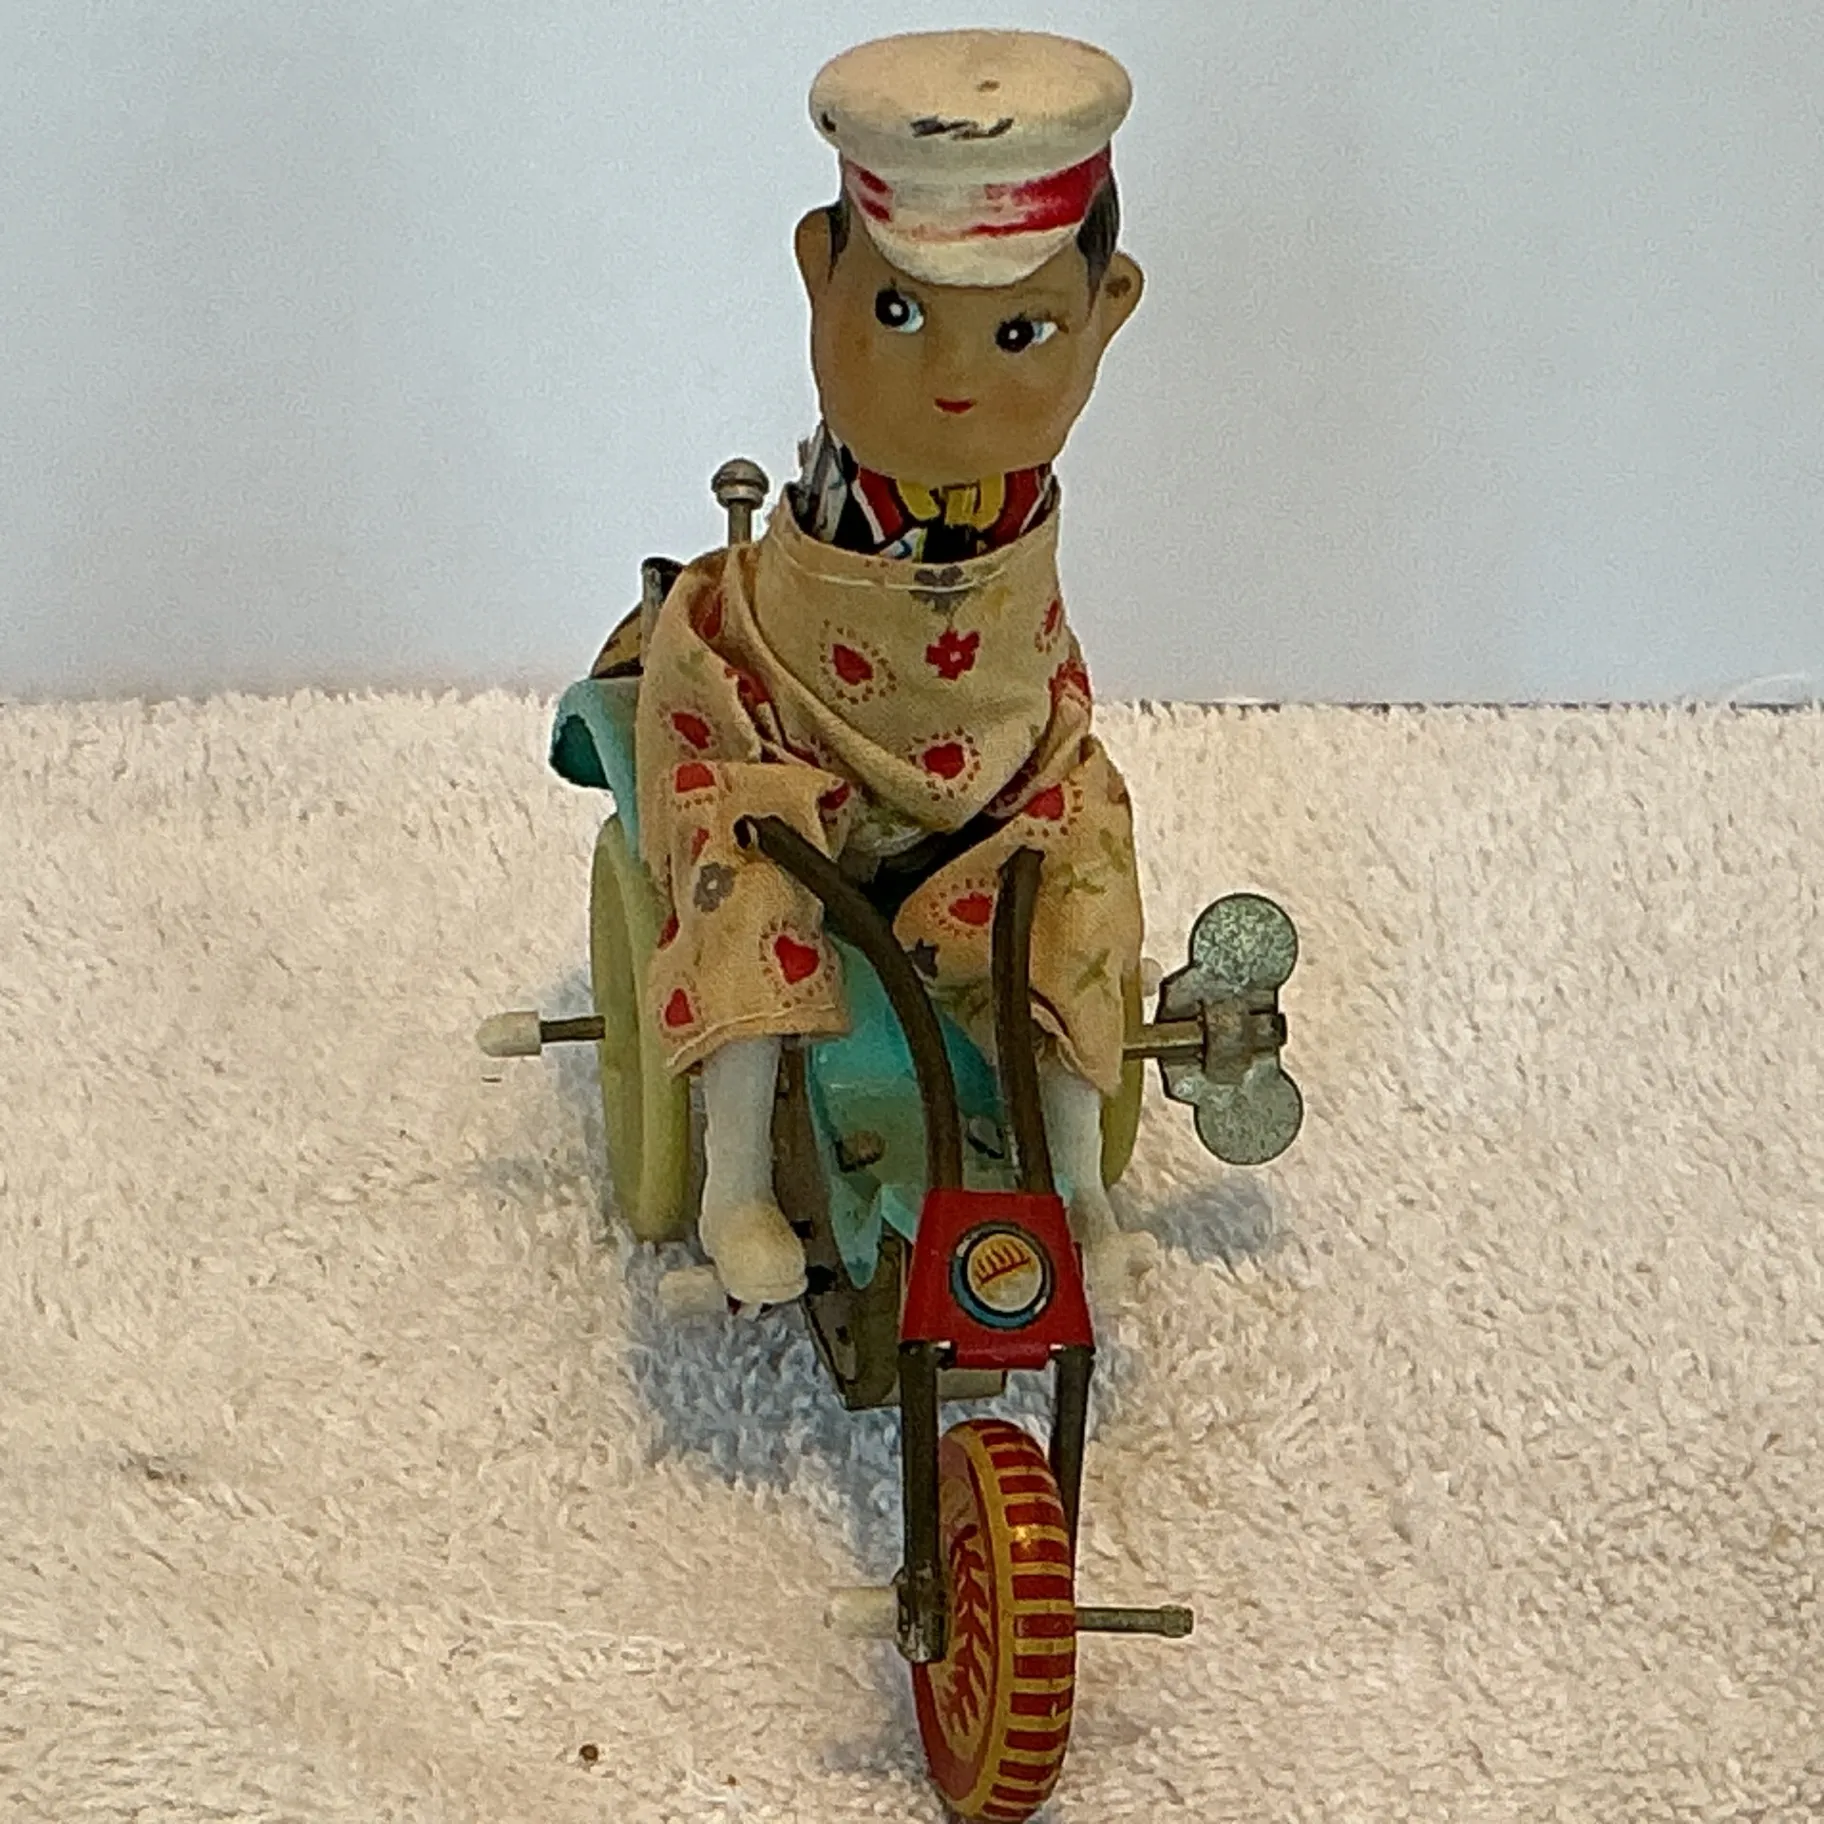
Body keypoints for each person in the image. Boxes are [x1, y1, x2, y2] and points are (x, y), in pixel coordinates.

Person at [634, 29, 1149, 1305]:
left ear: (1108, 316)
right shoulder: (837, 502)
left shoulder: (1017, 502)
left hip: (996, 754)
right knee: (745, 867)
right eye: (898, 312)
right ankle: (736, 1185)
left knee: (1078, 871)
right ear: (821, 273)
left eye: (1023, 330)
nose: (955, 377)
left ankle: (1079, 1185)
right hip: (787, 725)